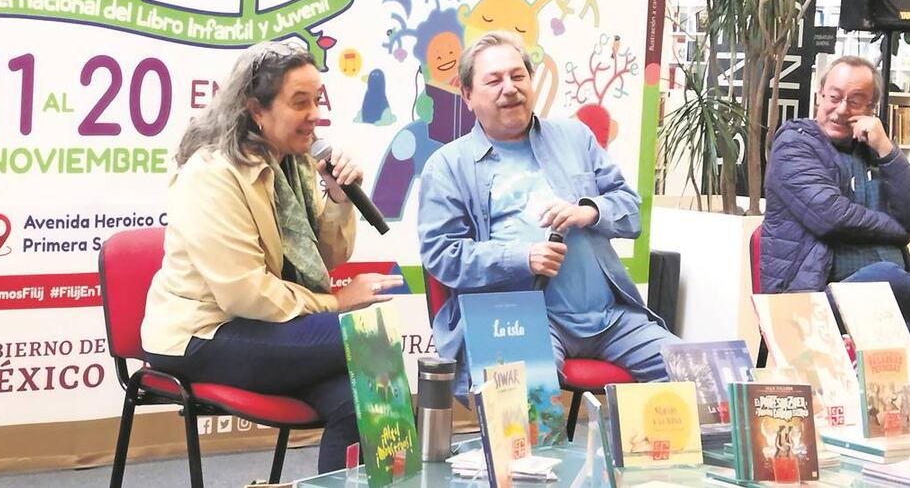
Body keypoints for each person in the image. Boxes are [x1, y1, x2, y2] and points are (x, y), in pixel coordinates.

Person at [140, 41, 404, 473]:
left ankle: (379, 483)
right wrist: (337, 303)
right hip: (202, 334)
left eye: (317, 100)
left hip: (270, 330)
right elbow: (244, 295)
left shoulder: (293, 165)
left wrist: (338, 198)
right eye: (300, 103)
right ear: (255, 110)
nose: (315, 114)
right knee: (368, 338)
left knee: (358, 398)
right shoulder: (213, 174)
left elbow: (324, 259)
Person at [417, 31, 677, 396]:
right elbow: (442, 255)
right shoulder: (447, 166)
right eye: (494, 80)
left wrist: (589, 211)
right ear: (468, 95)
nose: (510, 88)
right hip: (516, 317)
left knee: (705, 375)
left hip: (609, 317)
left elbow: (631, 211)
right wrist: (522, 258)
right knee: (522, 405)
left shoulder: (575, 137)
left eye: (518, 76)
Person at [762, 55, 910, 335]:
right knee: (887, 277)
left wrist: (886, 150)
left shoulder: (872, 146)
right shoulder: (795, 143)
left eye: (855, 101)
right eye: (834, 97)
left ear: (871, 108)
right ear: (820, 95)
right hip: (813, 297)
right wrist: (900, 233)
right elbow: (831, 217)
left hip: (890, 306)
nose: (841, 109)